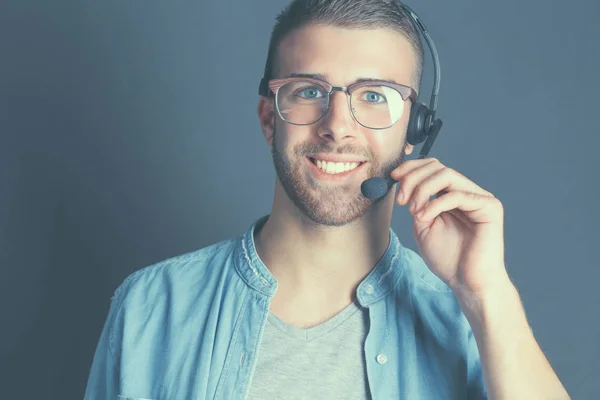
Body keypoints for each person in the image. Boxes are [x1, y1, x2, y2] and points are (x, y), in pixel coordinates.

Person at [84, 0, 571, 399]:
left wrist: (487, 296)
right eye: (309, 91)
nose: (337, 124)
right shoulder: (151, 306)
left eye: (375, 95)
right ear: (270, 118)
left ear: (414, 130)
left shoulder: (470, 322)